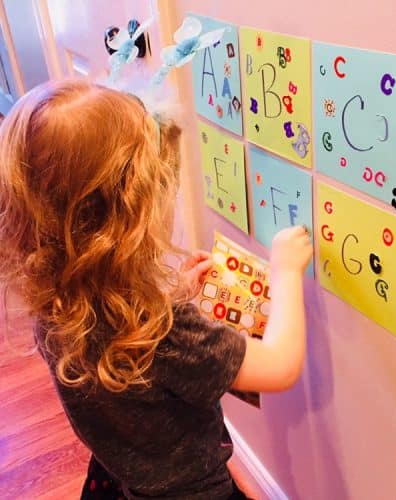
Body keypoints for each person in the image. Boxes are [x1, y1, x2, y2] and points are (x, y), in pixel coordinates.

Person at [0, 80, 313, 499]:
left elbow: (135, 372)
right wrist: (286, 271)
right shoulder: (164, 330)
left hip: (126, 475)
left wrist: (177, 293)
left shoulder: (56, 306)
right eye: (162, 189)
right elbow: (278, 366)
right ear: (130, 221)